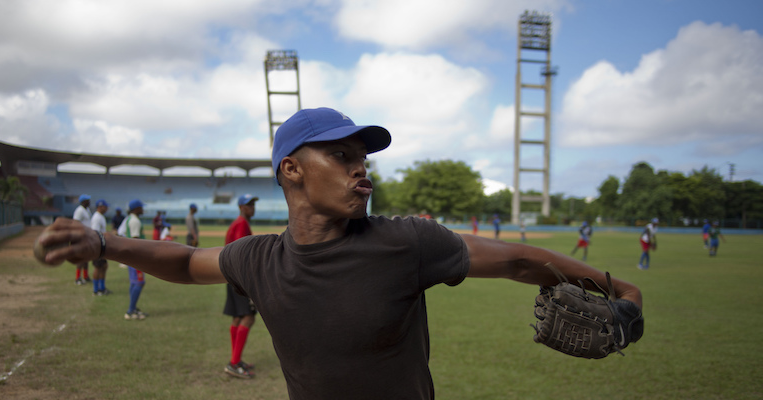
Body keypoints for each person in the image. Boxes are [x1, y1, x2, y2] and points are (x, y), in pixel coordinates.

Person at [36, 107, 642, 400]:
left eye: (365, 160)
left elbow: (515, 260)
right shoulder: (259, 258)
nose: (363, 172)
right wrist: (103, 242)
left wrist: (618, 288)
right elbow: (186, 262)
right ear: (292, 169)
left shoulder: (405, 242)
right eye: (345, 157)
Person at [222, 193, 260, 379]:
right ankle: (234, 363)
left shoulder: (238, 223)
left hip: (231, 277)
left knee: (237, 318)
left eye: (253, 204)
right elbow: (240, 253)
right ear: (241, 207)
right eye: (249, 204)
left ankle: (235, 360)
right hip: (240, 278)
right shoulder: (241, 224)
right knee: (248, 318)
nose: (252, 207)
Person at [118, 199, 148, 320]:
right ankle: (130, 311)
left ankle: (133, 308)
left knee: (134, 282)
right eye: (141, 207)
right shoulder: (135, 221)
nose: (143, 209)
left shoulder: (129, 219)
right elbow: (136, 241)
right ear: (136, 209)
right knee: (139, 282)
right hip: (136, 257)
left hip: (131, 257)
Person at [90, 199, 111, 296]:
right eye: (105, 206)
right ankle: (96, 290)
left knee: (104, 266)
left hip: (102, 246)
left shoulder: (101, 217)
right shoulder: (97, 218)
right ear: (100, 206)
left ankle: (102, 288)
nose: (107, 208)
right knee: (98, 267)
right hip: (98, 247)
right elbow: (95, 233)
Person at [72, 194, 92, 285]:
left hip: (88, 236)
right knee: (80, 257)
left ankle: (86, 276)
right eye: (88, 200)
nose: (89, 202)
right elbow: (76, 223)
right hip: (81, 237)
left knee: (86, 257)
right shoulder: (79, 211)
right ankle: (77, 278)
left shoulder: (87, 210)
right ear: (83, 201)